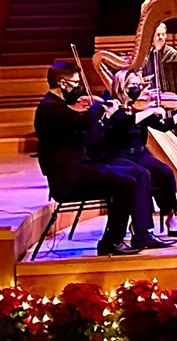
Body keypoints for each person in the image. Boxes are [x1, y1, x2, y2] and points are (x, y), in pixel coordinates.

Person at [34, 61, 163, 255]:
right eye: (76, 83)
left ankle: (138, 234)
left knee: (136, 175)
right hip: (69, 177)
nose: (80, 88)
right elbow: (83, 122)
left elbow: (88, 132)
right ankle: (111, 242)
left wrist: (103, 115)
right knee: (126, 182)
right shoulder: (50, 110)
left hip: (81, 167)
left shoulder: (60, 106)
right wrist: (102, 110)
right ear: (62, 83)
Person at [105, 69, 177, 238]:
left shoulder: (140, 107)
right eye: (133, 85)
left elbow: (165, 125)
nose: (138, 89)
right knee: (145, 176)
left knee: (165, 172)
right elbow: (123, 123)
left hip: (140, 154)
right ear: (122, 87)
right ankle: (140, 225)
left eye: (139, 85)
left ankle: (170, 215)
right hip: (121, 157)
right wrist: (149, 111)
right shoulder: (113, 107)